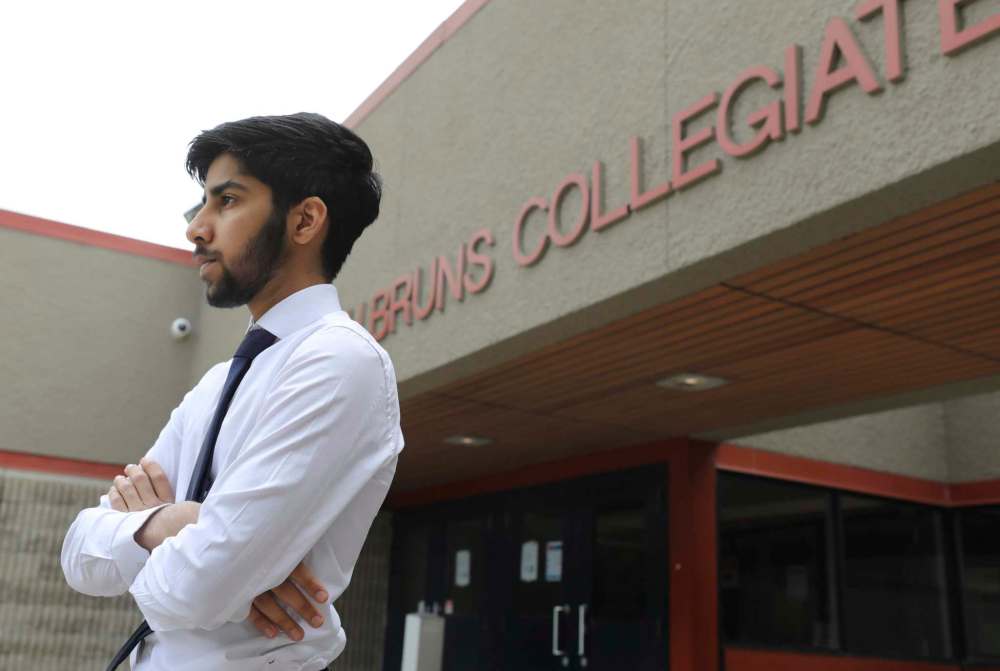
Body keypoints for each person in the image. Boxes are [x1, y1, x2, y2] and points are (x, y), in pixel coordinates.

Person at [60, 112, 404, 670]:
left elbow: (191, 592)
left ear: (305, 220)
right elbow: (80, 557)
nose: (197, 228)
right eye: (202, 205)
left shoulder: (338, 361)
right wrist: (171, 524)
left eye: (227, 201)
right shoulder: (217, 382)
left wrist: (182, 552)